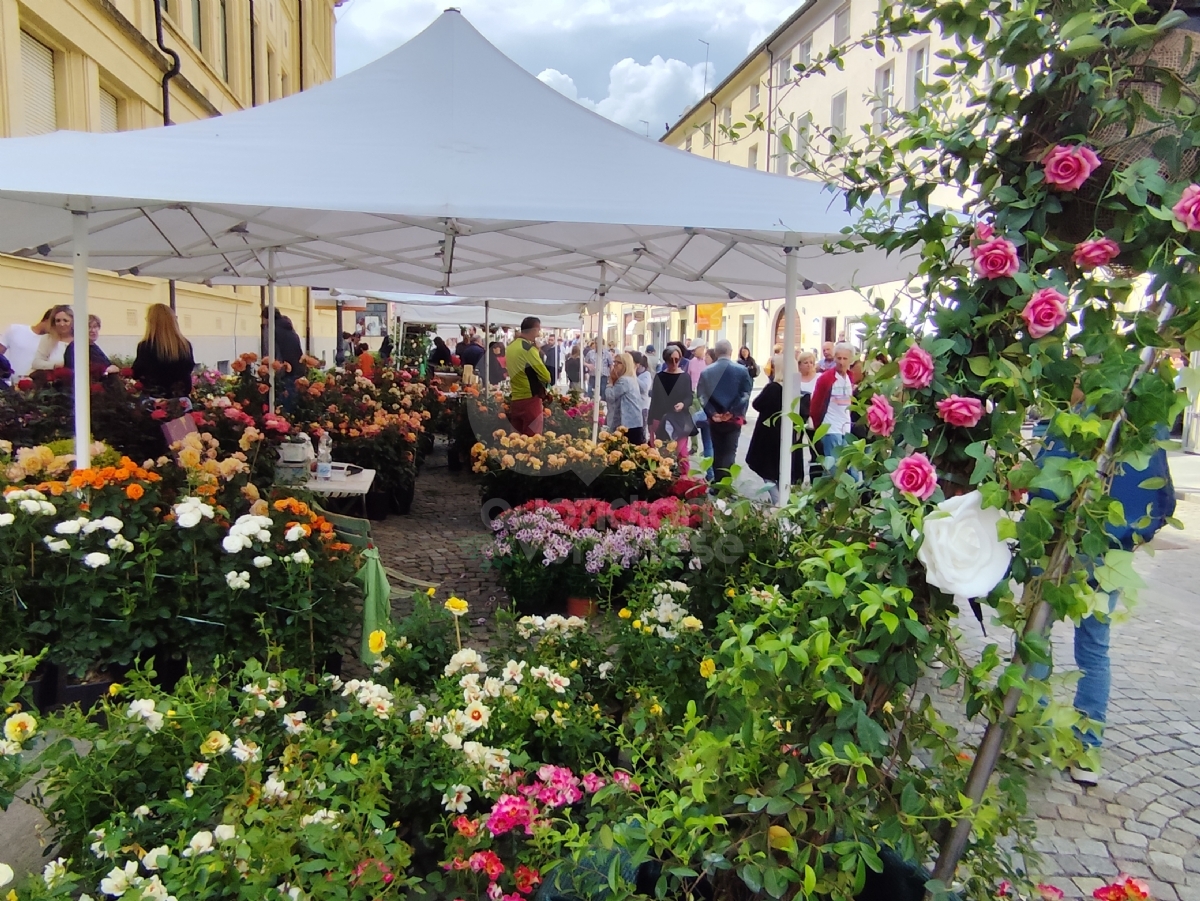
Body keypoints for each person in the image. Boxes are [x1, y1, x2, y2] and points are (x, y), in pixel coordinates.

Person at [1031, 399, 1176, 785]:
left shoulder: (1074, 418)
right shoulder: (1147, 423)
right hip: (1111, 551)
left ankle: (1035, 735)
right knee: (1094, 647)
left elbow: (1043, 485)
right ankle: (1086, 751)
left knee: (1035, 636)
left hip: (1057, 543)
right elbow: (1162, 496)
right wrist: (1131, 537)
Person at [696, 339, 753, 487]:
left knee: (717, 450)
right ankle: (725, 485)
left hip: (715, 418)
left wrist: (712, 413)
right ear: (731, 352)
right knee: (729, 452)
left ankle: (718, 483)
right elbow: (745, 394)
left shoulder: (707, 371)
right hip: (733, 419)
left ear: (715, 352)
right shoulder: (741, 370)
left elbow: (701, 395)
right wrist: (732, 411)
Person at [744, 377, 803, 505]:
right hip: (788, 434)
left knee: (767, 472)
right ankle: (783, 500)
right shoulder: (795, 388)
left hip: (768, 435)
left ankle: (778, 501)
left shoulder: (773, 388)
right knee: (782, 471)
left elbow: (756, 404)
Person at [810, 342, 858, 472]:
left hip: (846, 428)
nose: (841, 362)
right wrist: (818, 427)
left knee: (849, 468)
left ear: (851, 360)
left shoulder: (850, 377)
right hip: (831, 427)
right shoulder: (826, 379)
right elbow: (815, 405)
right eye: (839, 358)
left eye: (845, 358)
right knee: (834, 468)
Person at [133, 303, 195, 400]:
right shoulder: (185, 345)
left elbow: (137, 373)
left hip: (156, 403)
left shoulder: (146, 347)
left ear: (152, 322)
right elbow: (188, 369)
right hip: (181, 402)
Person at [505, 317, 552, 436]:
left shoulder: (510, 347)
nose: (539, 333)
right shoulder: (528, 349)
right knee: (533, 442)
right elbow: (546, 377)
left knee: (516, 441)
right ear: (534, 330)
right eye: (538, 330)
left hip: (516, 398)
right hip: (530, 399)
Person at [649, 345, 695, 452]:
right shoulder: (659, 377)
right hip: (661, 420)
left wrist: (683, 404)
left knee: (681, 454)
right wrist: (650, 422)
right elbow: (654, 400)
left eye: (677, 360)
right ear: (665, 360)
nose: (674, 363)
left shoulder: (685, 377)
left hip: (679, 421)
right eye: (670, 360)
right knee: (663, 454)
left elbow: (689, 397)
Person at [604, 352, 645, 444]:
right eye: (614, 362)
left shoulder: (624, 380)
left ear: (625, 365)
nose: (614, 365)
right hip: (633, 423)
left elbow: (610, 396)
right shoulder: (630, 378)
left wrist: (610, 382)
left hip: (629, 424)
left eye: (617, 363)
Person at [0, 308, 53, 379]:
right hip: (8, 382)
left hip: (34, 385)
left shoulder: (52, 341)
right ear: (47, 320)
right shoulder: (15, 329)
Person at [30, 306, 74, 371]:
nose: (62, 324)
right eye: (58, 321)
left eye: (65, 321)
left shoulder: (81, 341)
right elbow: (36, 362)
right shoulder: (48, 339)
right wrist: (55, 366)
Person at [632, 351, 653, 430]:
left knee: (641, 429)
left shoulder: (646, 374)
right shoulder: (637, 374)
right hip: (635, 406)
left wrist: (634, 376)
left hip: (643, 407)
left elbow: (645, 388)